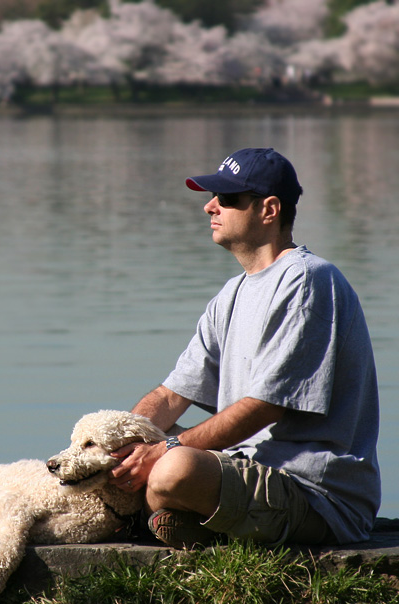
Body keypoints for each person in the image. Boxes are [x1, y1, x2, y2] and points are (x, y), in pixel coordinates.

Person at [110, 147, 380, 548]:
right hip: (243, 468)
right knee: (131, 452)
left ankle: (181, 517)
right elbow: (170, 396)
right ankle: (186, 519)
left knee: (173, 469)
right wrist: (123, 442)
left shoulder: (308, 280)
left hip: (313, 492)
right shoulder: (232, 294)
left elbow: (265, 405)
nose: (210, 207)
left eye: (227, 199)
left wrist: (163, 450)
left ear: (269, 210)